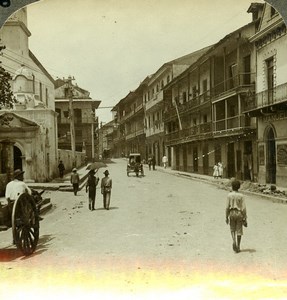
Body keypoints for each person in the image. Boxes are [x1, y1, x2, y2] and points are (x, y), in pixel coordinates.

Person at [225, 179, 247, 253]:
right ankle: (238, 246)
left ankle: (233, 240)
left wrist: (226, 217)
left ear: (232, 187)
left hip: (231, 213)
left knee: (232, 228)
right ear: (239, 187)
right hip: (239, 213)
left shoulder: (229, 195)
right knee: (239, 230)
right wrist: (245, 218)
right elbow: (243, 208)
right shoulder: (241, 196)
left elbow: (227, 207)